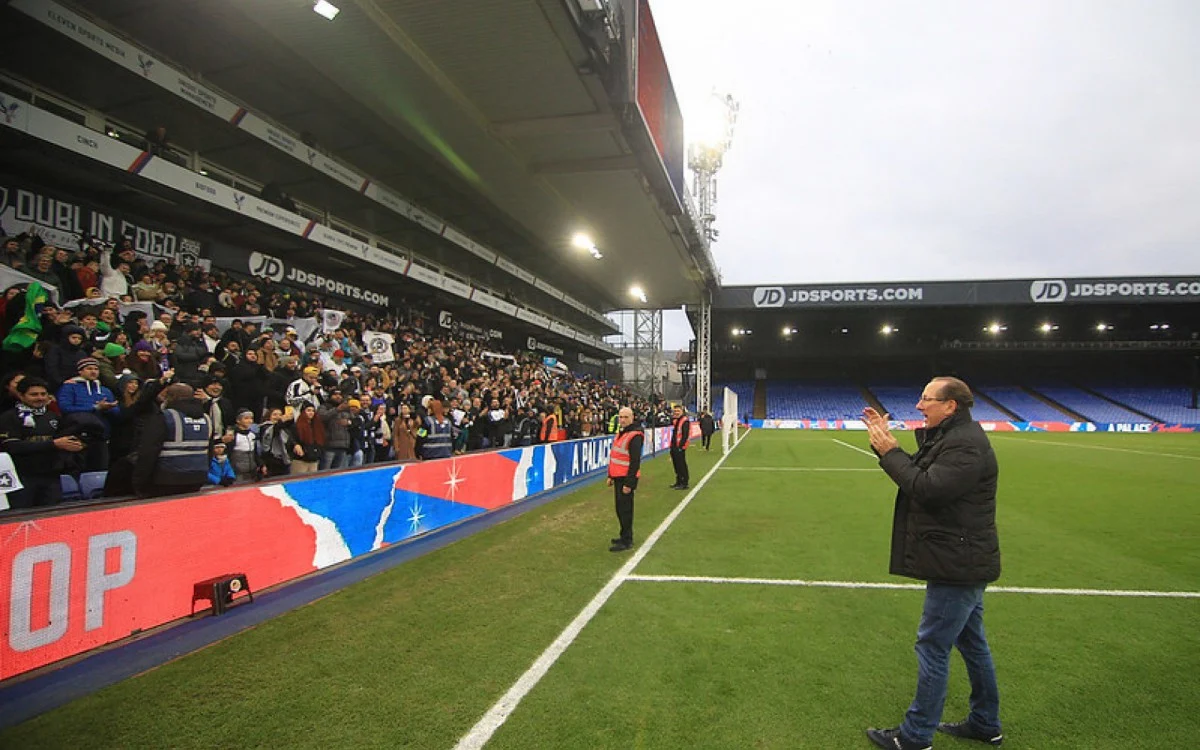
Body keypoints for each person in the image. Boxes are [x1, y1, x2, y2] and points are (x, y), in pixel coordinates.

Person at [862, 377, 1003, 750]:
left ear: (951, 405)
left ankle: (916, 736)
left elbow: (927, 490)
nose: (919, 405)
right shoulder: (951, 438)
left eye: (926, 399)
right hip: (959, 557)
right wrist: (886, 447)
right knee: (972, 643)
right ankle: (986, 723)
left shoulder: (966, 445)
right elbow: (920, 475)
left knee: (932, 646)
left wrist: (890, 451)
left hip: (957, 562)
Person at [0, 377, 85, 509]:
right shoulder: (9, 417)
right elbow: (11, 446)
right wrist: (53, 444)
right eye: (34, 394)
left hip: (52, 478)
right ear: (21, 396)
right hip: (23, 479)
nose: (40, 398)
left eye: (43, 394)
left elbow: (65, 442)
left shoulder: (54, 417)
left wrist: (76, 444)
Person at [133, 383, 212, 498]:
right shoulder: (206, 418)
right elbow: (209, 452)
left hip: (166, 480)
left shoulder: (165, 416)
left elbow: (148, 451)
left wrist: (139, 483)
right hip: (197, 479)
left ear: (171, 397)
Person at [605, 407, 643, 552]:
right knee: (620, 509)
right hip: (618, 476)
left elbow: (635, 461)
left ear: (632, 418)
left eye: (626, 417)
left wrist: (629, 483)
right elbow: (615, 456)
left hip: (626, 478)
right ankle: (623, 535)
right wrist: (610, 475)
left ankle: (627, 540)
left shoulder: (635, 435)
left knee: (625, 510)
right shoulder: (622, 433)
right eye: (621, 417)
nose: (622, 420)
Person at [669, 404, 691, 490]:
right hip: (674, 446)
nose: (676, 412)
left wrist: (681, 446)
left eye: (678, 411)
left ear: (682, 411)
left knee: (681, 465)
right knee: (676, 465)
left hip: (679, 446)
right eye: (675, 411)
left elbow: (685, 435)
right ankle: (678, 481)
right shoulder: (676, 420)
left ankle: (684, 482)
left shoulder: (685, 421)